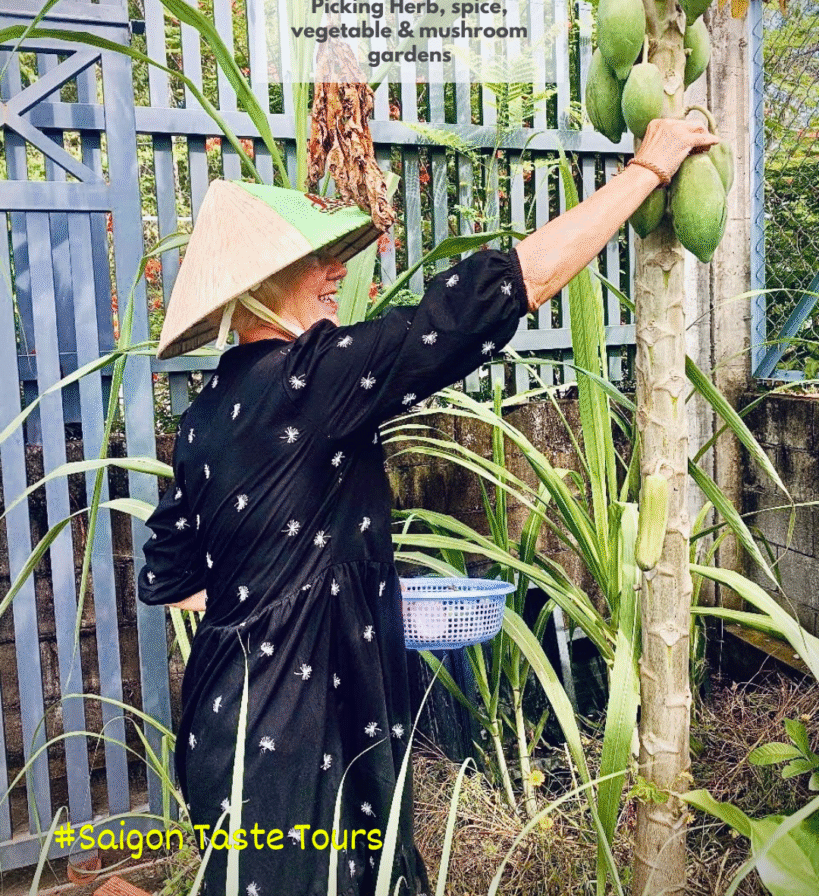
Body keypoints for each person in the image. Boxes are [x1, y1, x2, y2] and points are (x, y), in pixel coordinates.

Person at [137, 117, 720, 896]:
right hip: (301, 734)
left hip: (224, 721)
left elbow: (170, 572)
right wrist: (645, 171)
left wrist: (290, 592)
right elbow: (506, 291)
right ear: (256, 287)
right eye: (312, 261)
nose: (335, 272)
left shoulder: (206, 414)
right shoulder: (310, 380)